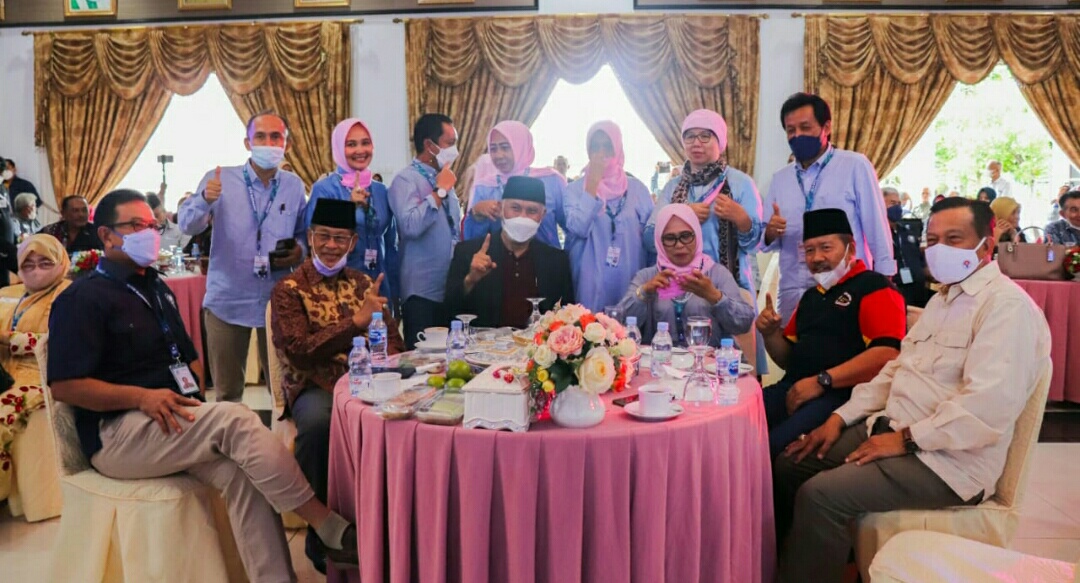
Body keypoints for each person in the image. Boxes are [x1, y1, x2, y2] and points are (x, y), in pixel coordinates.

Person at [47, 190, 358, 580]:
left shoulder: (156, 288)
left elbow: (189, 356)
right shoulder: (82, 298)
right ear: (107, 235)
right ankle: (326, 525)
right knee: (236, 417)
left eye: (153, 225)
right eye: (137, 226)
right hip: (117, 433)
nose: (150, 233)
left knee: (242, 473)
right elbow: (66, 386)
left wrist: (191, 399)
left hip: (171, 421)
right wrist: (141, 397)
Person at [773, 197, 1051, 583]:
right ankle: (819, 564)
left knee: (820, 495)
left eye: (954, 239)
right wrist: (839, 418)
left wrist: (905, 440)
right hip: (892, 428)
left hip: (948, 462)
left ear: (986, 246)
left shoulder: (1007, 308)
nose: (939, 249)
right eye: (932, 240)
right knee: (790, 462)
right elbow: (895, 370)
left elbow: (986, 408)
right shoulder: (943, 300)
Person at [272, 198, 404, 573]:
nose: (331, 245)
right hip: (315, 386)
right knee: (319, 425)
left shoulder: (363, 284)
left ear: (353, 242)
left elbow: (395, 343)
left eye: (340, 238)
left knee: (405, 419)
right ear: (311, 237)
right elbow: (299, 352)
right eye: (324, 236)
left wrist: (389, 364)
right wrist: (355, 323)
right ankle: (322, 534)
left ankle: (386, 525)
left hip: (369, 382)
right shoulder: (289, 289)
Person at [178, 111, 307, 403]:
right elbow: (187, 225)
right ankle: (228, 436)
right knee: (227, 394)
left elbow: (303, 234)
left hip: (277, 300)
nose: (268, 143)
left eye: (276, 137)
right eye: (260, 136)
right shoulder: (219, 179)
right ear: (247, 143)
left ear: (286, 144)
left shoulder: (294, 185)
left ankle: (278, 434)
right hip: (227, 299)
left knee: (283, 391)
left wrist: (299, 250)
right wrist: (204, 200)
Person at [757, 209, 905, 459]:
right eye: (809, 250)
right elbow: (788, 360)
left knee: (768, 449)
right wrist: (770, 334)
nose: (817, 258)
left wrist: (822, 381)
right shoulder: (811, 297)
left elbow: (887, 355)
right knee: (735, 419)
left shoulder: (874, 286)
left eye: (826, 247)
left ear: (851, 248)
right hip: (793, 389)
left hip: (840, 396)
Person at [761, 93, 895, 325]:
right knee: (794, 346)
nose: (797, 135)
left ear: (826, 127)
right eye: (791, 130)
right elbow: (764, 243)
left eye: (805, 127)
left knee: (844, 344)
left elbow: (876, 225)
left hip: (846, 287)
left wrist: (884, 280)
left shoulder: (854, 165)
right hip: (795, 288)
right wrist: (770, 232)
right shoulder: (780, 179)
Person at [0, 235, 71, 518]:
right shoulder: (12, 292)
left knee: (4, 411)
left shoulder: (69, 295)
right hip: (5, 370)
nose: (36, 270)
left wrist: (12, 339)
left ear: (60, 262)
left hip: (44, 374)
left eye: (45, 262)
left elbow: (63, 341)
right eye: (28, 264)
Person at [445, 176, 573, 329]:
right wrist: (470, 280)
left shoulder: (556, 261)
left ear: (542, 215)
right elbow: (447, 313)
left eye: (531, 211)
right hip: (484, 343)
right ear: (501, 208)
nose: (522, 217)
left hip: (534, 343)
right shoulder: (469, 252)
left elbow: (568, 318)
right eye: (515, 208)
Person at [619, 204, 754, 347]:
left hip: (709, 360)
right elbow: (619, 322)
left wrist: (714, 296)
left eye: (686, 236)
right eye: (670, 238)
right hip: (660, 359)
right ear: (659, 241)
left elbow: (744, 324)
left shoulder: (717, 274)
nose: (679, 245)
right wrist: (644, 292)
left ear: (697, 235)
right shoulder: (648, 277)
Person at [305, 118, 399, 306]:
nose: (360, 150)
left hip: (378, 285)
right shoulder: (325, 189)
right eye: (351, 144)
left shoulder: (381, 190)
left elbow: (390, 246)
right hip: (338, 289)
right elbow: (316, 242)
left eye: (365, 143)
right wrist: (348, 207)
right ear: (339, 148)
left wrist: (395, 294)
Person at [388, 113, 462, 349]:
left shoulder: (444, 178)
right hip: (421, 293)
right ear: (430, 146)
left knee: (452, 358)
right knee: (423, 362)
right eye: (450, 143)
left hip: (449, 286)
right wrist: (439, 192)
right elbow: (410, 225)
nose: (455, 150)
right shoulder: (405, 180)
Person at [563, 121, 654, 312]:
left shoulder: (637, 188)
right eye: (595, 147)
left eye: (607, 146)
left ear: (618, 149)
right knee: (590, 326)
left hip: (631, 275)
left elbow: (651, 239)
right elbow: (578, 228)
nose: (601, 153)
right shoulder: (574, 190)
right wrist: (592, 185)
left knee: (629, 324)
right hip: (590, 280)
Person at [464, 120, 567, 249]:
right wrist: (477, 213)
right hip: (499, 259)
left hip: (547, 259)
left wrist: (566, 258)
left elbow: (571, 228)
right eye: (493, 149)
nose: (499, 155)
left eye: (505, 147)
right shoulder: (485, 187)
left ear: (521, 146)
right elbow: (471, 240)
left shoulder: (551, 181)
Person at [883, 187, 931, 307]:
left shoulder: (907, 232)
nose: (897, 207)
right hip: (895, 292)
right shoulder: (878, 235)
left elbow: (919, 259)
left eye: (899, 203)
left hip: (918, 289)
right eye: (892, 203)